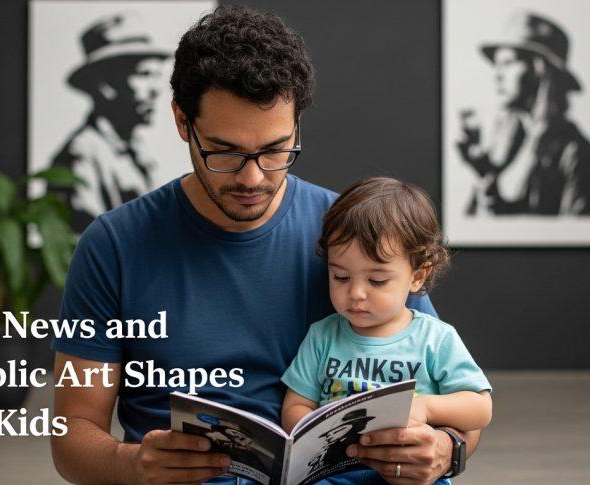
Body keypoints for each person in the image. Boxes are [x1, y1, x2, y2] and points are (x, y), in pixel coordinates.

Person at [51, 6, 483, 484]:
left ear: (297, 123)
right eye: (226, 152)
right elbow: (73, 432)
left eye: (276, 150)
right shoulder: (113, 245)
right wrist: (132, 464)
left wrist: (444, 450)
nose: (253, 177)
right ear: (181, 122)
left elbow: (459, 411)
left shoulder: (356, 232)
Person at [282, 177, 493, 484]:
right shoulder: (323, 336)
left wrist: (423, 408)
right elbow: (296, 404)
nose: (355, 293)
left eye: (377, 281)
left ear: (418, 276)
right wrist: (315, 433)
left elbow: (480, 408)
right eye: (340, 277)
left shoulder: (435, 338)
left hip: (408, 474)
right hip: (335, 474)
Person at [456, 11, 590, 215]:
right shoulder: (502, 143)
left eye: (508, 63)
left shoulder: (576, 153)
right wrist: (484, 178)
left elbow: (575, 238)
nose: (497, 75)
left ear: (539, 70)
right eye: (496, 65)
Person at [51, 11, 170, 231]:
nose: (156, 89)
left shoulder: (138, 151)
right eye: (144, 75)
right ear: (105, 85)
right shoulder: (83, 155)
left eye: (156, 76)